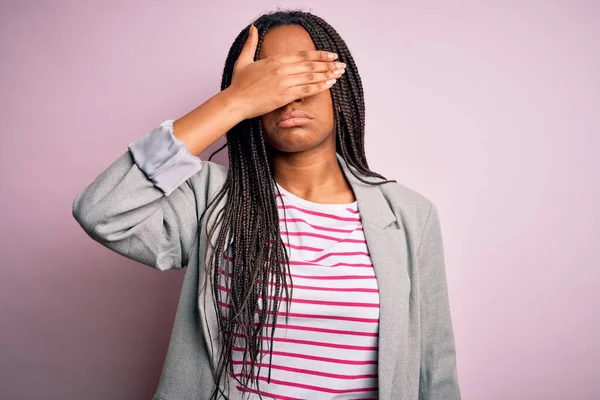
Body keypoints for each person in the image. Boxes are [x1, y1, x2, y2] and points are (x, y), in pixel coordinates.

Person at [72, 10, 461, 400]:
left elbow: (434, 372)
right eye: (270, 80)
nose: (289, 95)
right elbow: (101, 210)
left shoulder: (410, 216)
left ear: (340, 87)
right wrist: (233, 103)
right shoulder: (209, 196)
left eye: (304, 72)